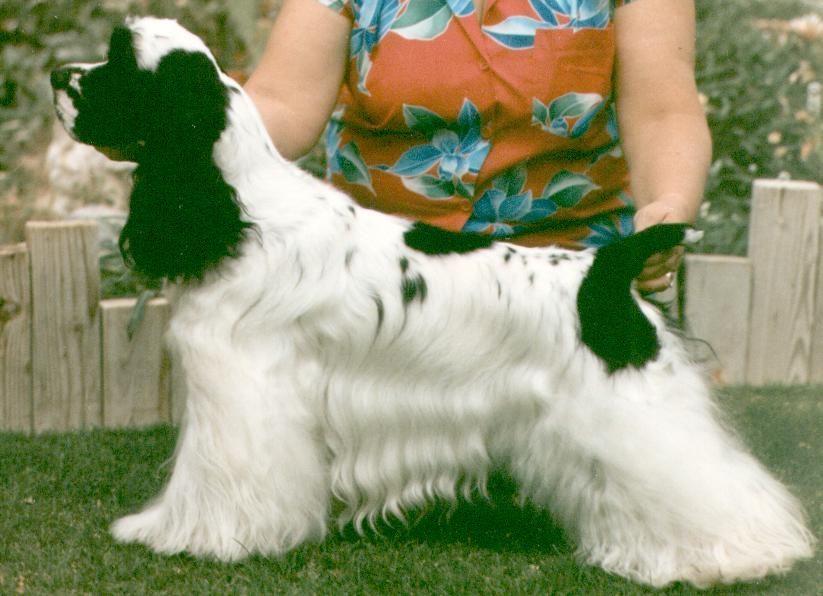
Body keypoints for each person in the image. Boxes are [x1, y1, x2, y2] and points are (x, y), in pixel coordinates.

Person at [245, 0, 711, 293]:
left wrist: (668, 204)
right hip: (378, 287)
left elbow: (661, 111)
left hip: (571, 289)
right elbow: (283, 101)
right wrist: (211, 130)